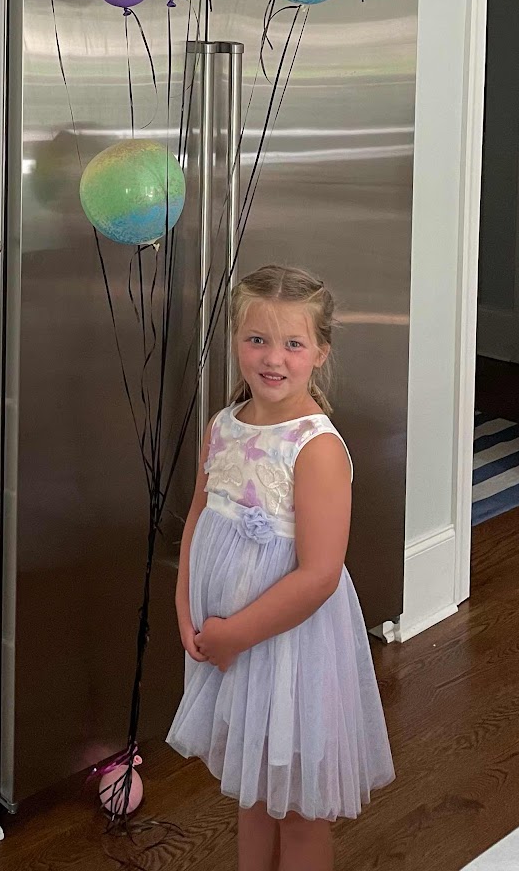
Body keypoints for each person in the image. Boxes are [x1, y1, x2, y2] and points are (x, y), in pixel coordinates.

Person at [167, 265, 393, 870]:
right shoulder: (222, 426)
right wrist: (185, 606)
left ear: (320, 352)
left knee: (296, 807)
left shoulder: (315, 447)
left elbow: (319, 576)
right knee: (253, 787)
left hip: (289, 649)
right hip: (227, 642)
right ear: (235, 341)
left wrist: (233, 635)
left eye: (293, 343)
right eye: (257, 339)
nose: (273, 358)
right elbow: (198, 518)